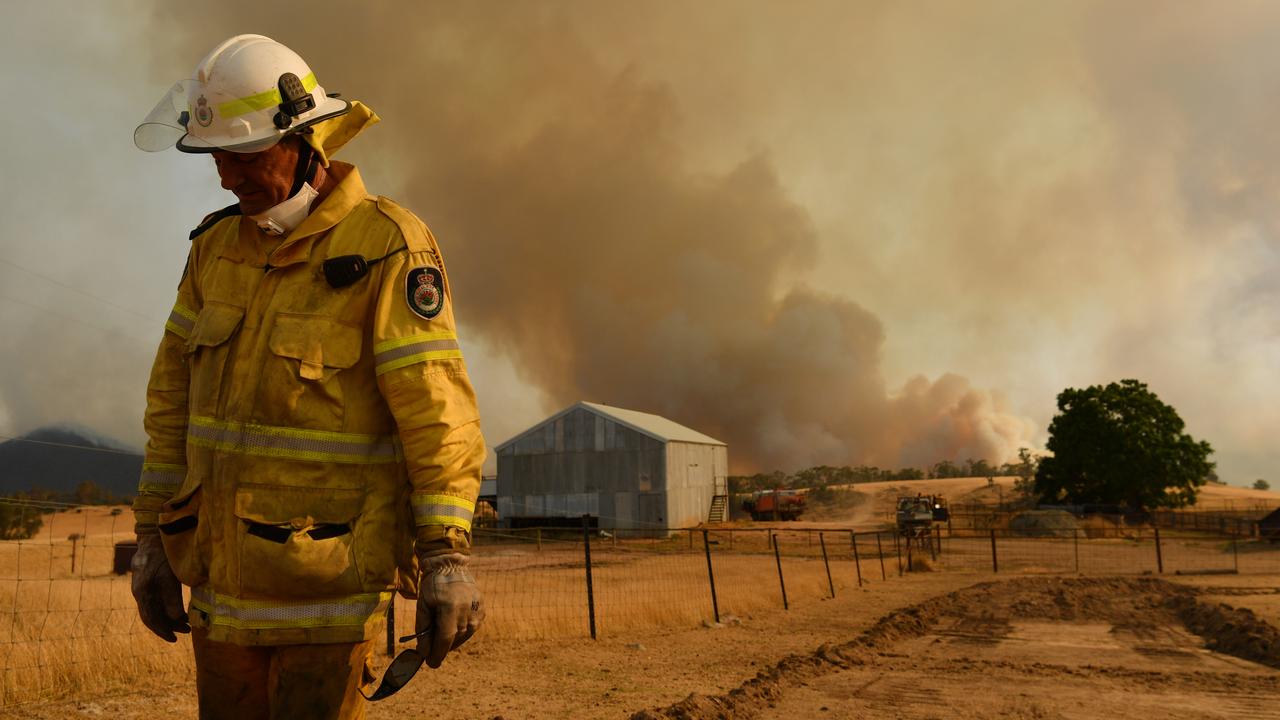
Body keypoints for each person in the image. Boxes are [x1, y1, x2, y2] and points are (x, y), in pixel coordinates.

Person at [129, 34, 485, 719]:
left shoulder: (387, 247)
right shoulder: (214, 250)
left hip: (326, 600)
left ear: (303, 142)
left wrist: (445, 556)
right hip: (220, 600)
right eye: (216, 159)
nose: (227, 177)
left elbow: (436, 413)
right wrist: (150, 539)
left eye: (245, 156)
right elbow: (170, 407)